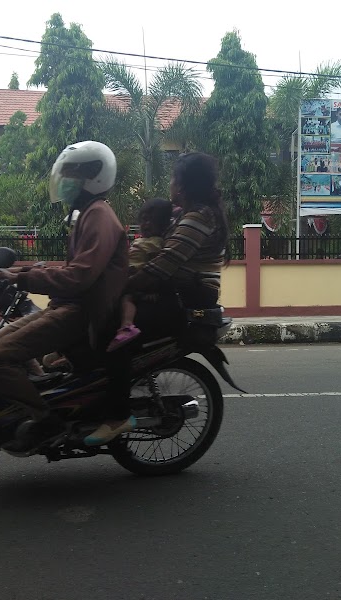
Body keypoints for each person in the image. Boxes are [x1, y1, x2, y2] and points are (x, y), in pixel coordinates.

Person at [0, 141, 129, 456]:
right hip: (68, 305)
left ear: (94, 177)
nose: (65, 180)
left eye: (72, 173)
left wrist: (22, 277)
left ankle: (46, 420)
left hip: (82, 313)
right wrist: (27, 270)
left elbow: (78, 277)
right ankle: (45, 392)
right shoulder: (86, 214)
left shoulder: (99, 216)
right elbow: (76, 270)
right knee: (1, 336)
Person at [83, 152, 229, 447]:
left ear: (184, 186)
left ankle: (117, 415)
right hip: (172, 291)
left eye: (175, 179)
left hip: (187, 298)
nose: (171, 184)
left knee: (115, 331)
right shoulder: (183, 213)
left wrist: (119, 286)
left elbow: (163, 265)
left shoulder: (199, 217)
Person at [107, 198, 174, 352]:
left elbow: (155, 269)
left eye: (152, 221)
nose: (147, 224)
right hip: (129, 277)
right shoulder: (143, 241)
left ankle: (127, 326)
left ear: (163, 224)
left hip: (138, 285)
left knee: (126, 299)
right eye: (144, 220)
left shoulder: (157, 243)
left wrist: (150, 291)